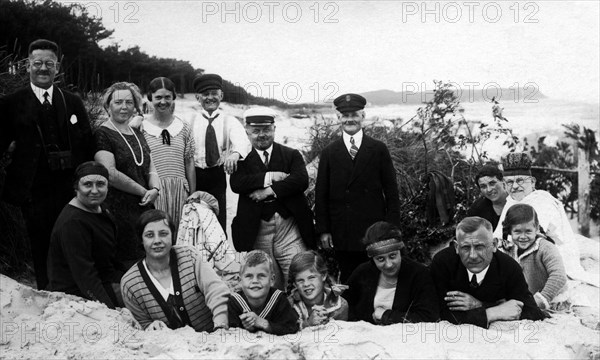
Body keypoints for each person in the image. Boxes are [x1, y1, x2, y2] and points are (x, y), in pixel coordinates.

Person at [0, 39, 94, 289]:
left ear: (58, 67)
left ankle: (73, 291)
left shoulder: (72, 101)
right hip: (31, 191)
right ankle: (46, 292)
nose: (43, 68)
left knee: (71, 241)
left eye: (49, 64)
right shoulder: (11, 103)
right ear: (27, 65)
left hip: (68, 189)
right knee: (40, 243)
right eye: (37, 63)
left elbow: (86, 144)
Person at [315, 93, 400, 282]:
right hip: (342, 231)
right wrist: (324, 229)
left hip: (374, 231)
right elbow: (321, 194)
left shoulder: (378, 149)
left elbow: (392, 192)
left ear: (363, 116)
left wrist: (391, 229)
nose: (349, 119)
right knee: (349, 280)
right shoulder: (329, 152)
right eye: (345, 116)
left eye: (354, 114)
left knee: (378, 278)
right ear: (338, 118)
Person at [230, 107, 315, 290]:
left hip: (289, 229)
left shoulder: (291, 154)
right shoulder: (241, 159)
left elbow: (301, 180)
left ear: (274, 129)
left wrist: (269, 191)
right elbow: (237, 184)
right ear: (247, 132)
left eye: (266, 129)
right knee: (266, 281)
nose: (262, 135)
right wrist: (270, 177)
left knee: (298, 274)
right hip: (257, 230)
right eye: (256, 130)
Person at [493, 152, 597, 286]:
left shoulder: (542, 202)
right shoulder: (511, 201)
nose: (514, 186)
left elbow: (538, 239)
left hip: (547, 257)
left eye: (520, 181)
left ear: (532, 182)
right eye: (509, 182)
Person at [120, 209, 230, 331]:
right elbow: (141, 324)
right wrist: (151, 328)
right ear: (141, 239)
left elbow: (215, 290)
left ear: (173, 235)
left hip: (212, 339)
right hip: (169, 348)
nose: (157, 241)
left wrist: (220, 326)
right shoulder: (130, 284)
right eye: (149, 235)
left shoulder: (190, 256)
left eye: (163, 233)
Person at [430, 216, 547, 329]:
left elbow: (533, 312)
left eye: (479, 247)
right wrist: (492, 312)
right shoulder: (443, 263)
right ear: (456, 247)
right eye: (465, 247)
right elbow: (437, 314)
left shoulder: (508, 267)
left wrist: (480, 305)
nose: (473, 256)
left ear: (494, 245)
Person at [95, 82, 161, 269]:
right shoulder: (103, 134)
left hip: (144, 206)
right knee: (126, 264)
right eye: (118, 102)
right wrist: (143, 191)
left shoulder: (136, 133)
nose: (124, 107)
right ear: (107, 106)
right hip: (119, 210)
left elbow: (150, 166)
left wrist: (155, 188)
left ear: (135, 106)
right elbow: (110, 173)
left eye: (129, 102)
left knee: (147, 259)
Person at [47, 162, 124, 308]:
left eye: (100, 184)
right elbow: (85, 276)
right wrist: (109, 310)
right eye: (87, 184)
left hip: (106, 276)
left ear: (108, 187)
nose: (94, 191)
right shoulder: (73, 223)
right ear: (76, 187)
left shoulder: (101, 209)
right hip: (77, 290)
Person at [344, 222, 439, 325]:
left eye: (393, 256)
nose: (388, 264)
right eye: (380, 259)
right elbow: (345, 305)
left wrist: (386, 315)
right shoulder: (362, 272)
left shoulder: (418, 274)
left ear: (400, 252)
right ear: (373, 259)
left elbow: (429, 316)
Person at [188, 74, 250, 229]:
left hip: (217, 176)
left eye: (214, 94)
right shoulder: (189, 120)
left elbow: (243, 142)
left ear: (221, 95)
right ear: (198, 97)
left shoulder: (229, 120)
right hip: (193, 175)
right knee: (195, 220)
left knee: (218, 221)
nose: (210, 98)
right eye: (205, 94)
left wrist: (235, 154)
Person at [141, 77, 196, 227]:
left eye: (167, 97)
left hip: (180, 191)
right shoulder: (141, 127)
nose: (163, 102)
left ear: (173, 97)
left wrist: (192, 193)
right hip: (154, 191)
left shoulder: (184, 127)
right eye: (158, 97)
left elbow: (189, 162)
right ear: (150, 97)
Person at [499, 204, 567, 309]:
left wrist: (541, 299)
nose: (523, 237)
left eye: (528, 231)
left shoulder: (545, 247)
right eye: (517, 231)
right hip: (527, 299)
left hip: (551, 298)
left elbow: (559, 276)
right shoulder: (510, 249)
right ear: (509, 231)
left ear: (537, 229)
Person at [228, 250, 299, 335]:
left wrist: (264, 324)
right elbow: (231, 333)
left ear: (272, 280)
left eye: (261, 276)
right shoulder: (234, 302)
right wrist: (248, 328)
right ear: (240, 281)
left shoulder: (279, 299)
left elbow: (291, 328)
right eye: (249, 276)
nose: (255, 281)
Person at [287, 250, 348, 328]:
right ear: (294, 283)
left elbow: (342, 336)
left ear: (323, 276)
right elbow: (285, 334)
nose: (306, 284)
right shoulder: (288, 306)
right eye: (300, 280)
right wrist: (307, 324)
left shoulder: (340, 305)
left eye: (311, 277)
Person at [466, 164, 508, 229]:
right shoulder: (477, 209)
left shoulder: (516, 201)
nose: (489, 189)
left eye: (492, 183)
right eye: (483, 186)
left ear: (503, 181)